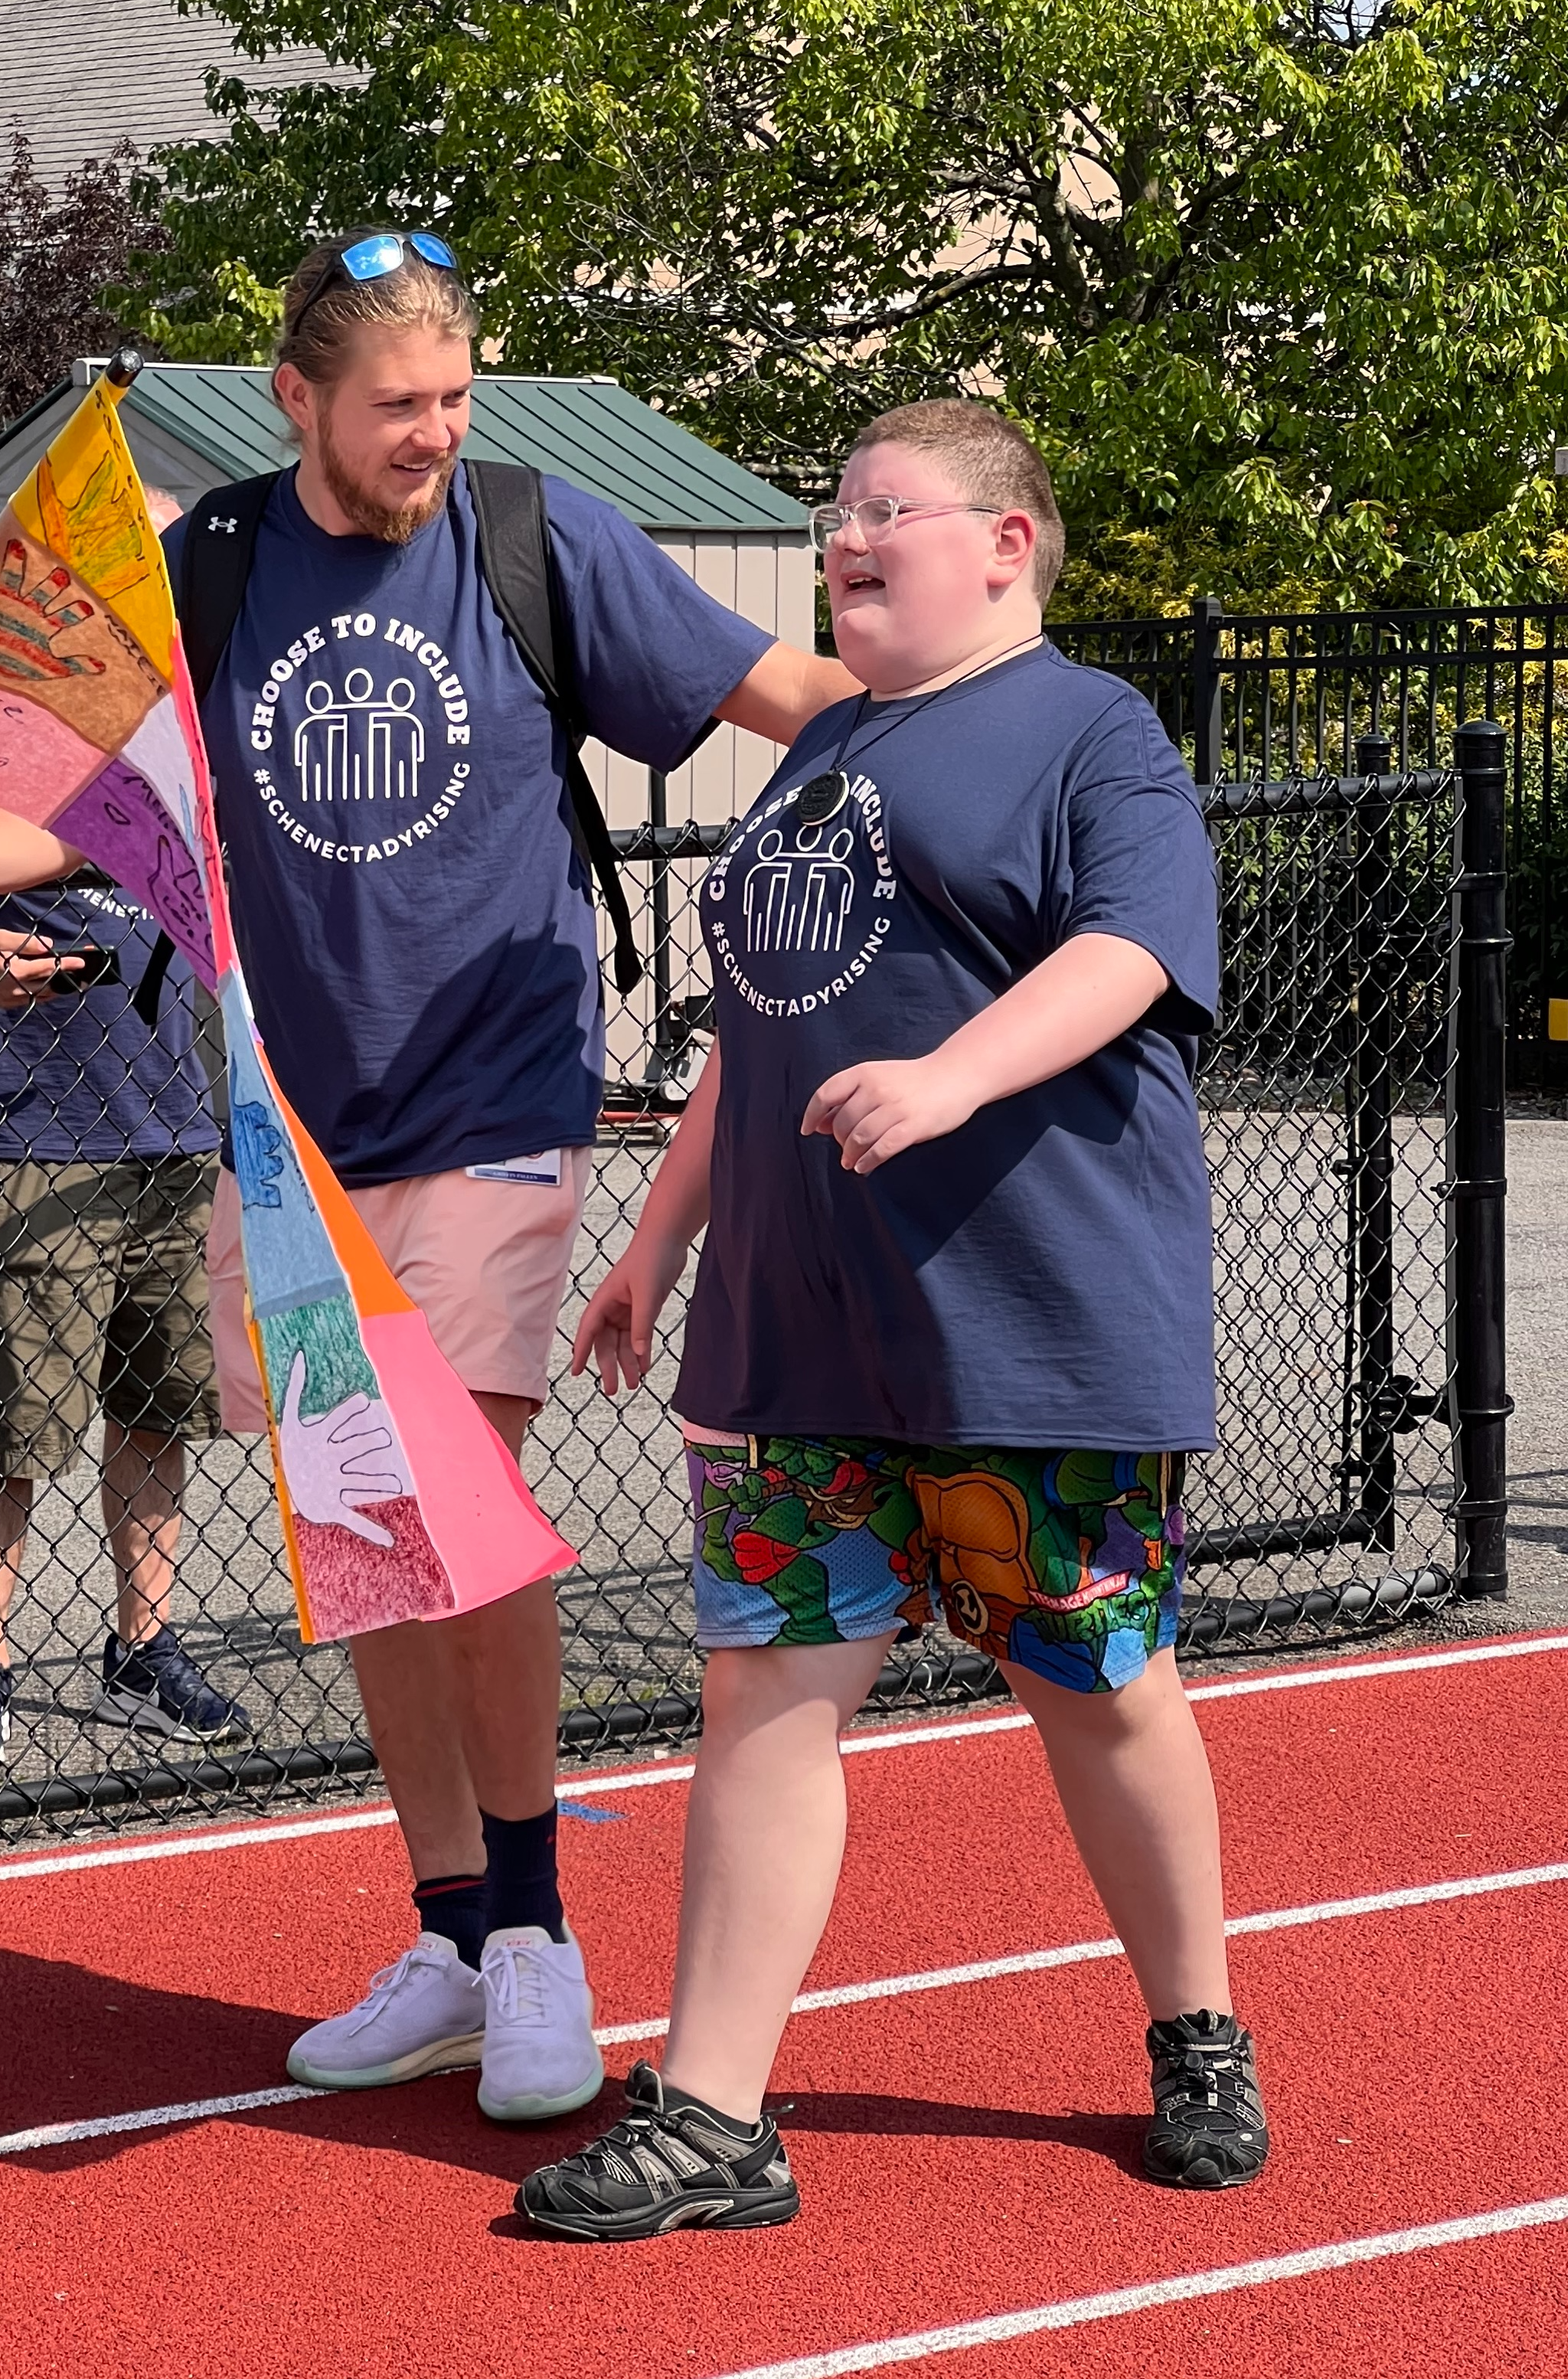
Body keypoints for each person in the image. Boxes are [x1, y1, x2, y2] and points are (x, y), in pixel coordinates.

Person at [0, 230, 858, 2125]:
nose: (436, 431)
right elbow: (73, 804)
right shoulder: (216, 566)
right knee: (367, 1544)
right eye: (397, 405)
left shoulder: (535, 533)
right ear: (297, 401)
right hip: (289, 1134)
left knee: (461, 1500)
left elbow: (789, 690)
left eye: (455, 396)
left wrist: (1001, 725)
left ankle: (531, 1933)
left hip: (500, 1098)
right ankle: (445, 1928)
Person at [514, 399, 1269, 2240]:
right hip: (800, 1328)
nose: (845, 535)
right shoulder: (819, 748)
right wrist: (660, 1237)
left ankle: (1199, 2028)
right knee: (765, 1686)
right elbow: (763, 1025)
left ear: (1006, 545)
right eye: (833, 511)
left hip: (1032, 1320)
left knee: (1092, 1681)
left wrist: (946, 1078)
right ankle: (712, 2110)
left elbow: (1135, 950)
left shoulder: (1094, 729)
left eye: (886, 509)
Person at [0, 753, 250, 1766]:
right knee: (9, 1420)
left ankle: (141, 1647)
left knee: (158, 1406)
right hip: (34, 1136)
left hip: (175, 1127)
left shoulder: (169, 731)